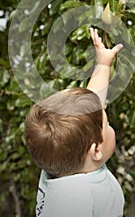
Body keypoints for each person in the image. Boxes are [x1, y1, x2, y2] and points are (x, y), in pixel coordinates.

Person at [24, 28, 124, 217]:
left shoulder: (63, 163)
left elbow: (93, 104)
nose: (110, 126)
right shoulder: (74, 201)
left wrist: (103, 65)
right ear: (95, 151)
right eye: (108, 124)